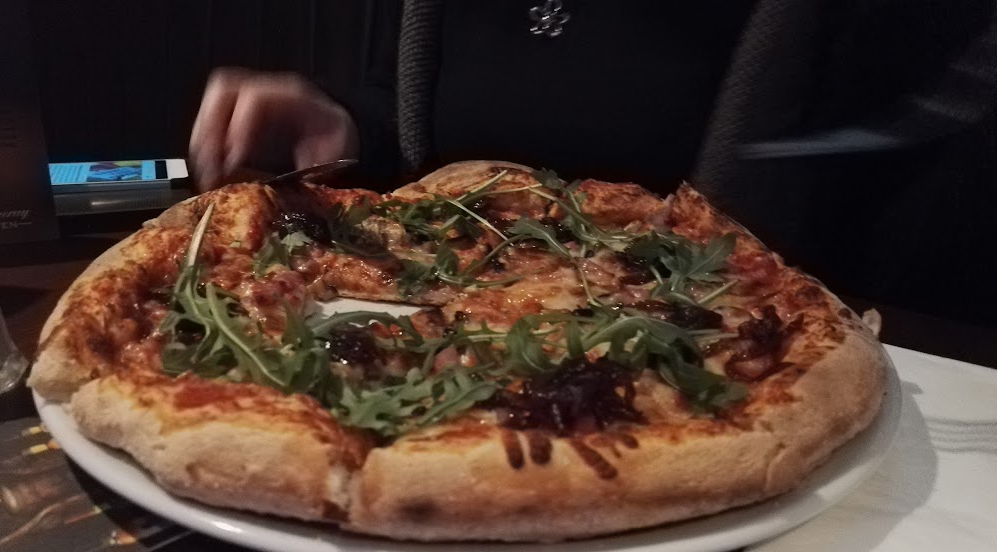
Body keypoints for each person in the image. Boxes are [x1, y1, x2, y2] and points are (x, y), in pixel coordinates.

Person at [189, 0, 997, 322]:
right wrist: (346, 124)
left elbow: (921, 220)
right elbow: (434, 137)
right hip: (425, 339)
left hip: (711, 379)